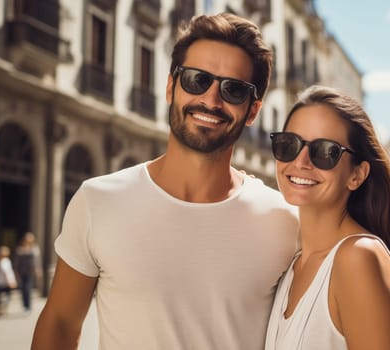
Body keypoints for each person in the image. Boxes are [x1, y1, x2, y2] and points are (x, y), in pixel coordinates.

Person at [32, 13, 299, 349]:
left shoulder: (285, 220)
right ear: (172, 86)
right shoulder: (98, 200)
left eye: (233, 90)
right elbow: (60, 324)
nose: (211, 101)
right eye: (196, 80)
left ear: (253, 111)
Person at [264, 86, 390, 350]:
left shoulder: (358, 258)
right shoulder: (293, 266)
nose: (301, 161)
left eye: (325, 151)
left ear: (356, 175)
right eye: (289, 144)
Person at [14, 232, 41, 312]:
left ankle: (28, 306)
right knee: (23, 289)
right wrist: (16, 272)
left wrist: (38, 269)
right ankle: (25, 305)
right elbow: (16, 262)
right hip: (22, 272)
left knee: (28, 288)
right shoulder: (20, 249)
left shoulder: (35, 249)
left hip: (30, 272)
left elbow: (37, 261)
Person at [0, 245, 17, 317]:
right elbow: (7, 272)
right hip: (5, 283)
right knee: (6, 297)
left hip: (0, 282)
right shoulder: (5, 261)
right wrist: (11, 281)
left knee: (0, 297)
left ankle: (1, 311)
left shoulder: (1, 261)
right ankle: (3, 310)